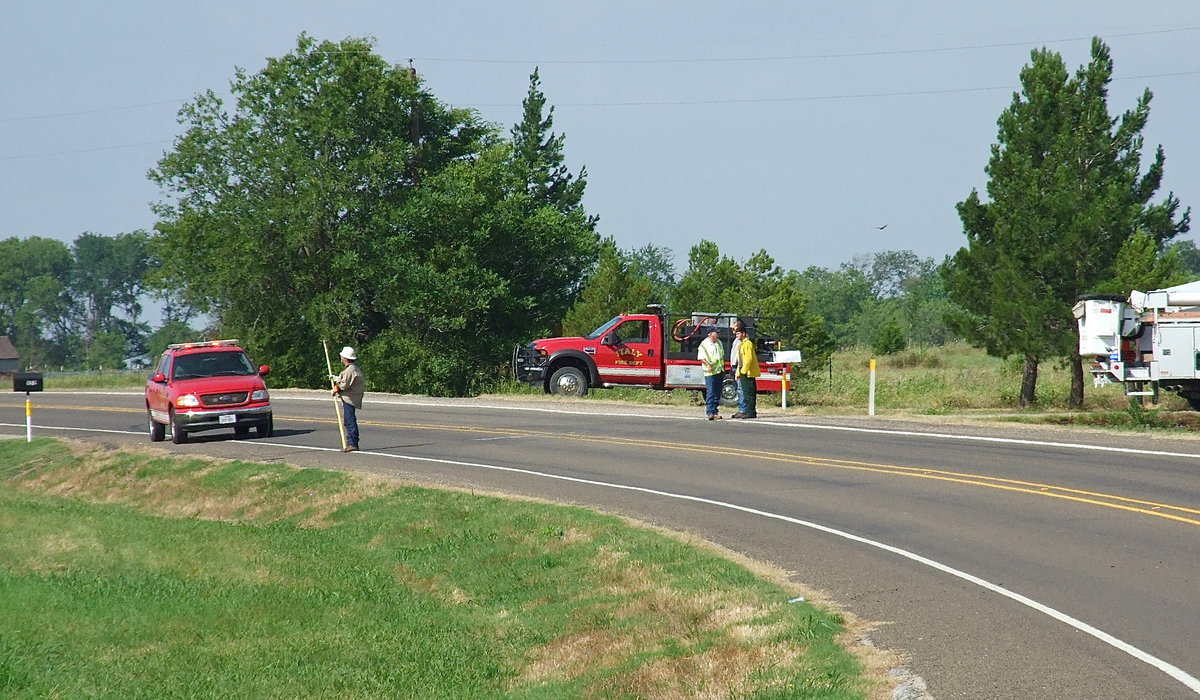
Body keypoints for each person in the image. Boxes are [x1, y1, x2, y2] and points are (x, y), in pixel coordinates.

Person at [331, 345, 365, 451]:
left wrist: (336, 388)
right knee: (348, 420)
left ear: (345, 358)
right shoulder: (351, 369)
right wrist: (336, 378)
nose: (341, 358)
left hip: (350, 399)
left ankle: (353, 443)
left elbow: (344, 385)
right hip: (349, 397)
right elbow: (345, 379)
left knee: (350, 421)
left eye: (342, 356)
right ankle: (351, 442)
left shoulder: (350, 370)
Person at [697, 329, 725, 420]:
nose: (718, 334)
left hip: (719, 370)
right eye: (716, 333)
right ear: (710, 333)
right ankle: (710, 412)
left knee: (717, 392)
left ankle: (715, 411)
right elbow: (701, 357)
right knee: (711, 392)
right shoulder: (704, 344)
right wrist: (708, 365)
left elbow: (721, 356)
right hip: (710, 371)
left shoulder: (719, 342)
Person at [733, 326, 760, 419]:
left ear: (743, 334)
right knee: (745, 392)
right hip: (742, 371)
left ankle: (751, 411)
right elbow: (740, 361)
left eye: (738, 333)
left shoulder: (747, 344)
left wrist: (743, 371)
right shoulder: (742, 344)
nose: (737, 335)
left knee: (749, 393)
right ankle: (747, 411)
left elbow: (748, 359)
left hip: (747, 372)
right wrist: (738, 372)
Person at [729, 320, 746, 410]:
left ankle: (742, 409)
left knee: (740, 389)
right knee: (739, 388)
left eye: (734, 327)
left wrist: (739, 368)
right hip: (734, 366)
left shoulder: (742, 340)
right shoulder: (737, 339)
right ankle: (742, 408)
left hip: (739, 366)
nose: (732, 328)